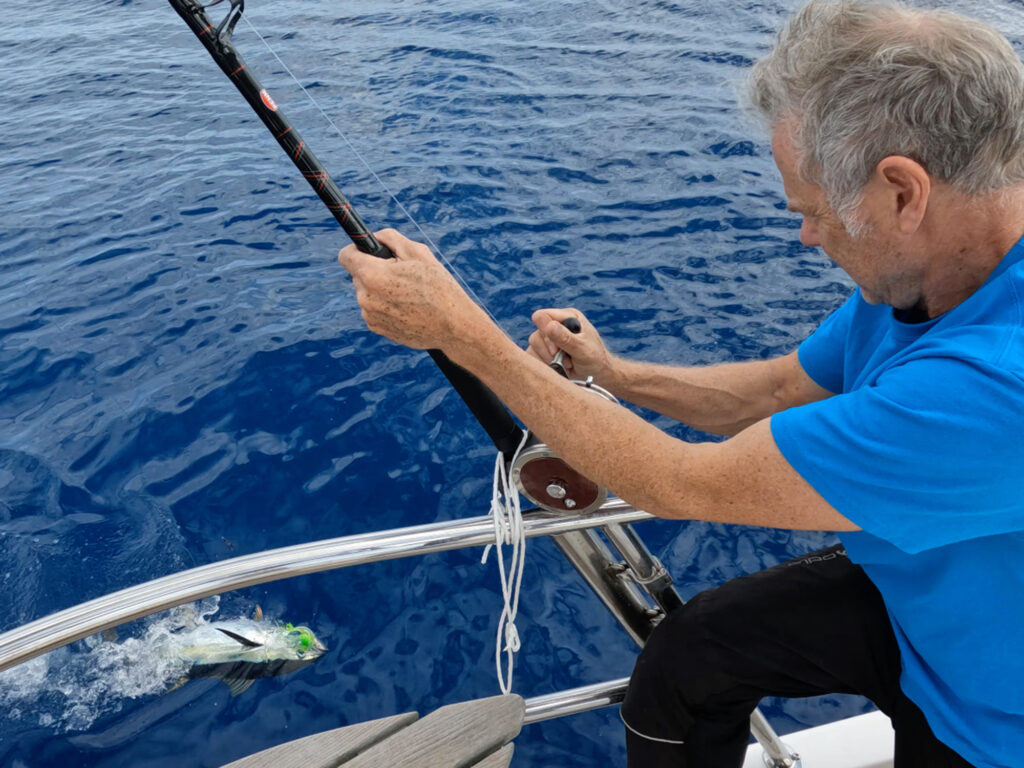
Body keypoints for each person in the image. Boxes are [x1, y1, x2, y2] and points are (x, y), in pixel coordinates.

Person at [337, 1, 1024, 765]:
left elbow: (677, 483)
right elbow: (774, 391)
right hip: (925, 597)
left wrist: (464, 337)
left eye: (816, 211)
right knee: (689, 660)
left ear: (903, 191)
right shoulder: (933, 270)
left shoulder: (996, 385)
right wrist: (615, 375)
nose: (805, 235)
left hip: (991, 719)